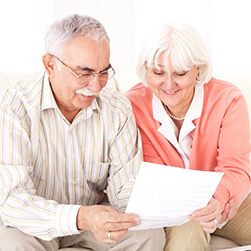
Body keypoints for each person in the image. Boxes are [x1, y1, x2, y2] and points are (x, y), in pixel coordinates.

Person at [0, 14, 165, 250]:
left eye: (104, 72)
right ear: (50, 65)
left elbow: (125, 189)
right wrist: (81, 217)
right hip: (32, 223)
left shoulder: (117, 109)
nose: (96, 85)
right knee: (10, 243)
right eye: (84, 73)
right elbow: (13, 202)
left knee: (147, 233)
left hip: (93, 225)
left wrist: (154, 205)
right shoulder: (13, 108)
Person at [125, 23, 251, 251]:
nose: (169, 84)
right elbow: (153, 175)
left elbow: (236, 168)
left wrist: (217, 200)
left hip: (227, 198)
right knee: (187, 240)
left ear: (198, 69)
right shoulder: (132, 105)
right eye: (158, 73)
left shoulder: (229, 100)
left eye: (180, 74)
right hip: (173, 208)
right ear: (146, 70)